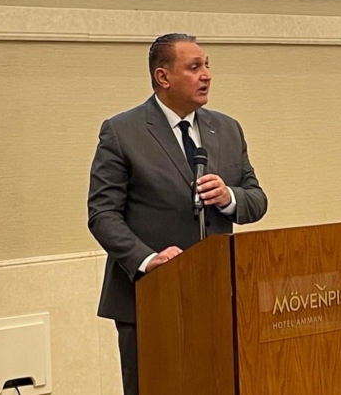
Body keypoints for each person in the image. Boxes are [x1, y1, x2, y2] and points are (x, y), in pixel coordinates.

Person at [87, 33, 268, 395]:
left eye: (207, 66)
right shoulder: (123, 132)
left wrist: (229, 197)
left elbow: (256, 199)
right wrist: (148, 259)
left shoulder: (227, 129)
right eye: (194, 67)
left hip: (217, 297)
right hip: (149, 298)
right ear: (163, 76)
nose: (207, 75)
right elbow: (102, 213)